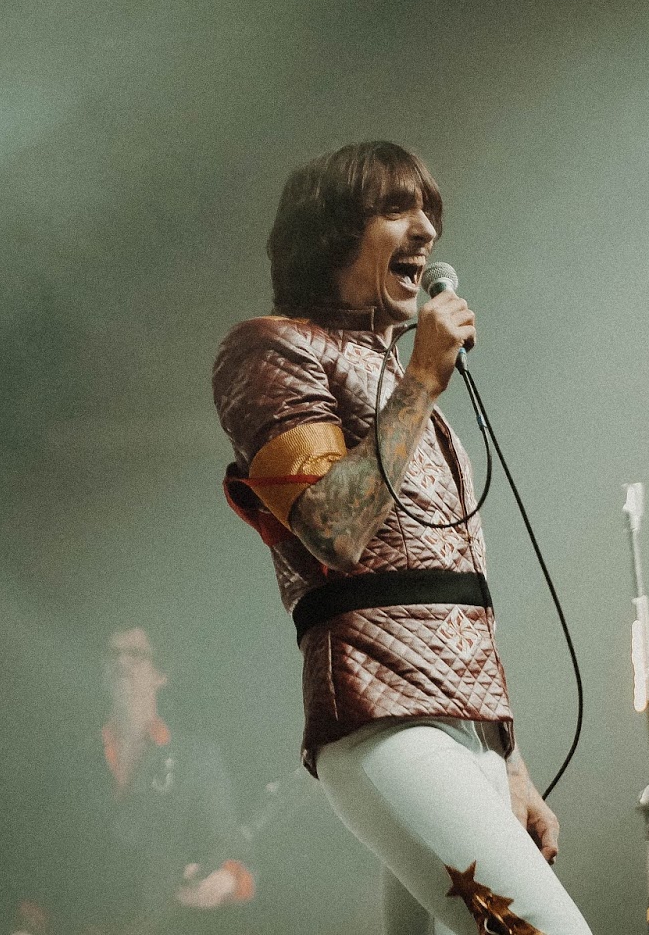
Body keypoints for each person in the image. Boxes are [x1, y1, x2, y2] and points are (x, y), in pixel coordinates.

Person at [213, 142, 591, 935]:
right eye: (395, 210)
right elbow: (332, 529)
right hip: (384, 715)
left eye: (429, 214)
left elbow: (455, 595)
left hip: (463, 731)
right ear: (329, 236)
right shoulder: (272, 348)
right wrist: (421, 378)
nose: (425, 231)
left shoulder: (410, 392)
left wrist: (508, 761)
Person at [19, 627, 256, 935]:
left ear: (161, 674)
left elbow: (234, 856)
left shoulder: (196, 759)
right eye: (113, 654)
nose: (121, 662)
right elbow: (46, 856)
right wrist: (28, 923)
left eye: (135, 654)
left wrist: (226, 881)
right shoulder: (75, 758)